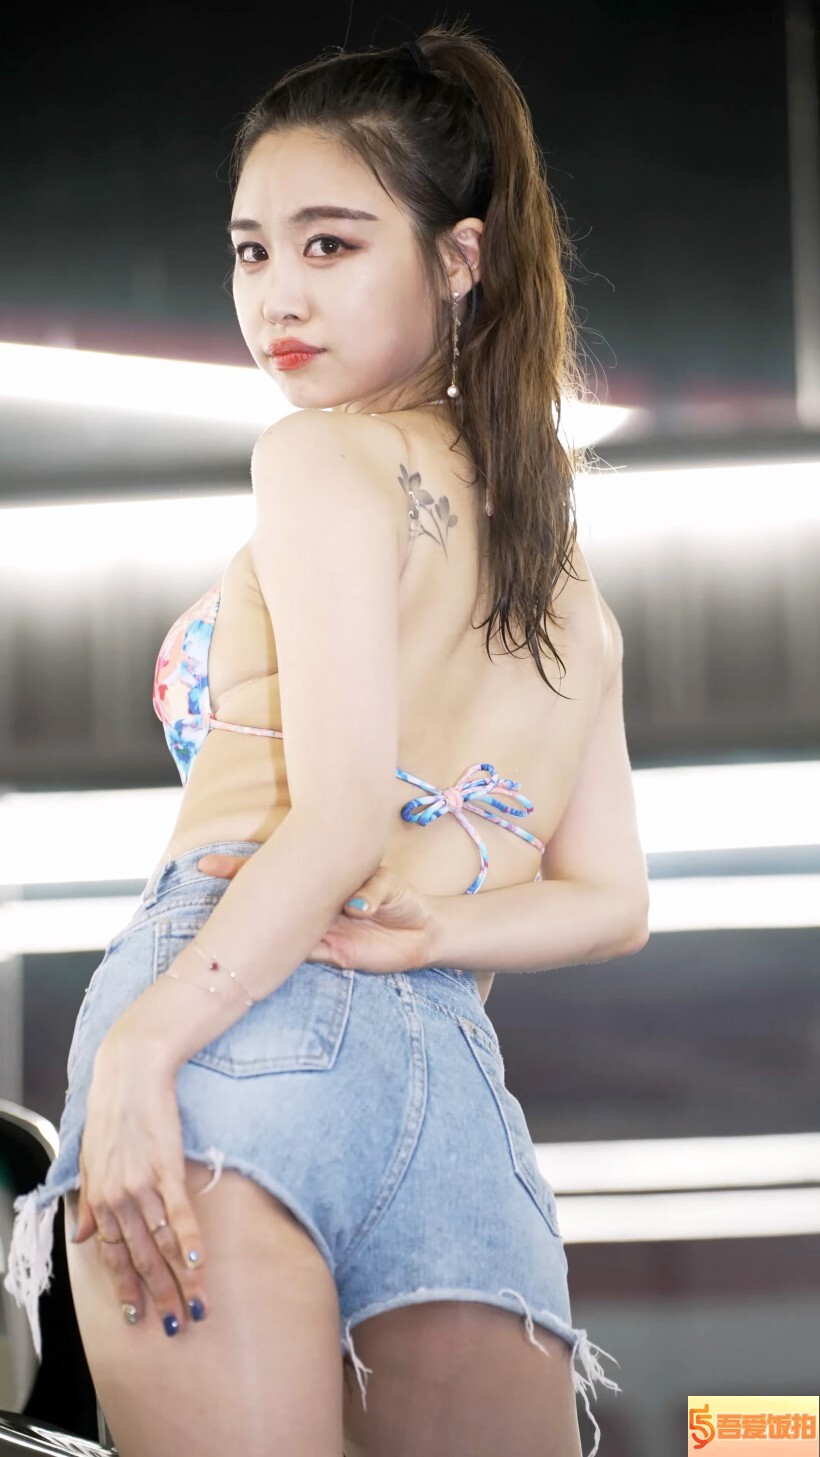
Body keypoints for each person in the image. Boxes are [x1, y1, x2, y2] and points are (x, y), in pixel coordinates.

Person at [5, 21, 649, 1457]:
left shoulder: (318, 455)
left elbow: (344, 814)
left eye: (330, 245)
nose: (277, 295)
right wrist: (427, 935)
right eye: (252, 251)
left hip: (232, 1018)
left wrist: (143, 1050)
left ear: (461, 256)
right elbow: (613, 902)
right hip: (454, 1096)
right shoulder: (567, 582)